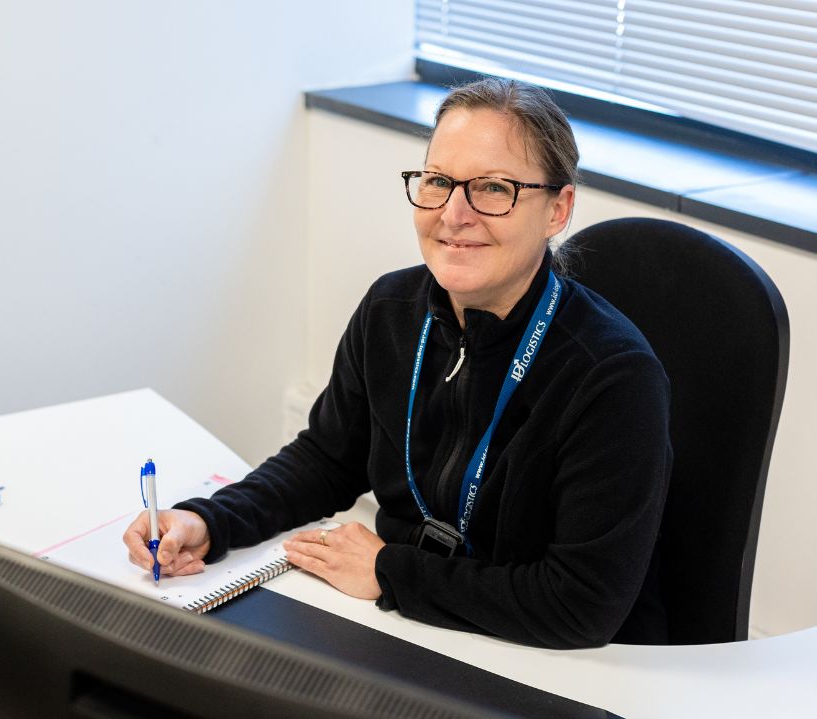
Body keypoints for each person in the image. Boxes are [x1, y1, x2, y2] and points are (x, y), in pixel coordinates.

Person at [124, 78, 671, 650]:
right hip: (415, 623)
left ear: (557, 209)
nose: (455, 214)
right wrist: (211, 522)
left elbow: (579, 606)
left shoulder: (612, 376)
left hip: (561, 663)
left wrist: (390, 572)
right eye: (438, 182)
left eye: (492, 188)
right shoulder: (391, 310)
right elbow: (327, 459)